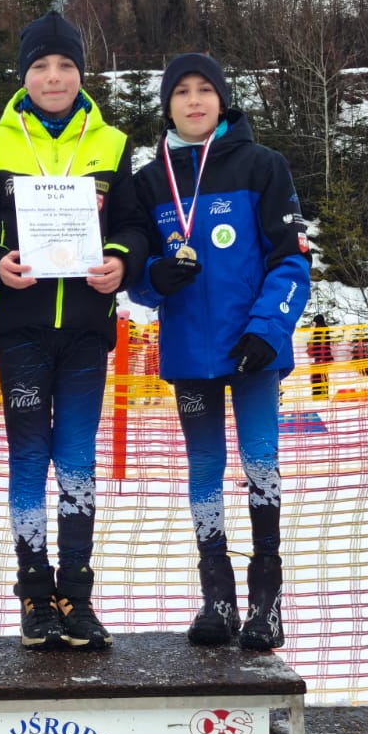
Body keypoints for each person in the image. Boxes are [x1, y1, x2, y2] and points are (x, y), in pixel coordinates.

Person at [0, 13, 145, 651]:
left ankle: (78, 595)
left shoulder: (113, 144)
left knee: (77, 460)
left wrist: (120, 260)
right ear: (24, 76)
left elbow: (132, 224)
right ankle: (35, 594)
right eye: (40, 66)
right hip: (21, 329)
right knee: (29, 456)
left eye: (66, 65)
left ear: (82, 74)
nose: (54, 76)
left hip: (87, 330)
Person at [126, 52, 311, 651]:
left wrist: (267, 331)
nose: (194, 100)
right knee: (205, 470)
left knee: (260, 464)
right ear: (168, 105)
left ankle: (266, 606)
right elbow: (136, 278)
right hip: (189, 356)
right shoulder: (150, 181)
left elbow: (291, 261)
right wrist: (154, 278)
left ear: (223, 100)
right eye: (181, 91)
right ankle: (218, 601)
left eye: (205, 89)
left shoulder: (262, 165)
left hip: (254, 351)